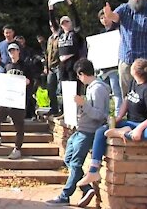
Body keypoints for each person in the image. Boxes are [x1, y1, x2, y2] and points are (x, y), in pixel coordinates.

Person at [77, 59, 147, 187]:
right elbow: (127, 101)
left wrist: (139, 129)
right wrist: (118, 118)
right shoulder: (134, 82)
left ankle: (123, 133)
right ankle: (93, 170)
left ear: (135, 71)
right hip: (129, 122)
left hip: (145, 125)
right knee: (101, 131)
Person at [46, 58, 110, 207]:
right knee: (68, 159)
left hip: (89, 131)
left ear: (82, 73)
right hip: (80, 129)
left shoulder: (98, 89)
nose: (79, 79)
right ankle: (86, 188)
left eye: (79, 75)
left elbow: (99, 115)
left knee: (75, 162)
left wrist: (84, 105)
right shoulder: (91, 87)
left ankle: (65, 195)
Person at [0, 43, 32, 159]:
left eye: (14, 50)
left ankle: (17, 149)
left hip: (19, 100)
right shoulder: (7, 66)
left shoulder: (25, 66)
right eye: (10, 51)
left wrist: (27, 82)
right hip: (6, 100)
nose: (12, 53)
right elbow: (3, 79)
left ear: (18, 51)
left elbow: (31, 80)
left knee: (19, 126)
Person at [49, 0, 84, 94]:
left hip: (73, 61)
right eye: (63, 23)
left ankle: (77, 107)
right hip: (62, 63)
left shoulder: (75, 33)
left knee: (74, 86)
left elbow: (76, 17)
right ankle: (66, 107)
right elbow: (53, 22)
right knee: (64, 88)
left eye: (67, 22)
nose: (65, 24)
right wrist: (50, 8)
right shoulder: (59, 34)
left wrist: (69, 2)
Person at [96, 9, 123, 116]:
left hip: (114, 67)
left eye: (105, 17)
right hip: (103, 68)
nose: (104, 20)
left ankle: (118, 115)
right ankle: (104, 115)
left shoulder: (118, 30)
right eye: (101, 18)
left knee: (117, 92)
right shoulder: (101, 34)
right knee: (103, 93)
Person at [45, 21, 61, 116]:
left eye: (53, 25)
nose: (52, 27)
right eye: (50, 26)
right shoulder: (50, 38)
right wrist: (46, 67)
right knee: (50, 88)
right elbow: (47, 53)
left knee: (60, 89)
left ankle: (62, 109)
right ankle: (54, 108)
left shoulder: (61, 36)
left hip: (59, 65)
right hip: (51, 67)